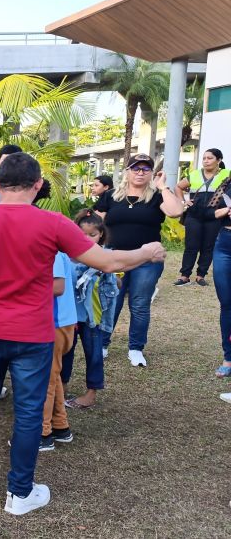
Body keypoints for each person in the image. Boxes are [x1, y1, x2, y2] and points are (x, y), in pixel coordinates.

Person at [0, 152, 166, 515]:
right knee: (30, 410)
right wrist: (146, 251)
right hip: (32, 334)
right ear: (37, 186)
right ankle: (19, 492)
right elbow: (108, 262)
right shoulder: (53, 222)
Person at [94, 153, 183, 367]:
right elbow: (95, 223)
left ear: (151, 173)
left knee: (140, 303)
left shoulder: (156, 197)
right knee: (111, 302)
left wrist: (162, 187)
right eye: (136, 168)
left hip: (147, 260)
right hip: (115, 258)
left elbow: (176, 211)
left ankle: (135, 348)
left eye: (145, 169)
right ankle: (103, 345)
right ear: (128, 171)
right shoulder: (112, 195)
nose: (140, 172)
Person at [62, 210, 117, 408]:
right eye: (82, 234)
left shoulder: (105, 257)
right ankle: (62, 387)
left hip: (93, 316)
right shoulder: (65, 257)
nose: (86, 239)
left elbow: (115, 286)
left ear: (101, 234)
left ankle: (91, 392)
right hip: (69, 316)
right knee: (64, 353)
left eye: (92, 235)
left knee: (94, 354)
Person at [39, 251, 77, 452]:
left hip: (54, 323)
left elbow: (57, 287)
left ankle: (42, 434)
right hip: (61, 321)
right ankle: (61, 426)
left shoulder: (51, 253)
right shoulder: (59, 253)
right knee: (53, 375)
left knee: (44, 379)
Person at [174, 148, 229, 286]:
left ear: (219, 160)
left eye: (210, 158)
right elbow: (178, 187)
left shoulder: (227, 174)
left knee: (208, 246)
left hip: (214, 216)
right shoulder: (194, 174)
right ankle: (184, 275)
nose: (206, 161)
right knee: (191, 246)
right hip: (194, 215)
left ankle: (201, 275)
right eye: (204, 158)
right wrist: (184, 201)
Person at [204, 179, 231, 377]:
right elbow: (207, 212)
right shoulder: (227, 183)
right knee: (227, 304)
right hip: (225, 244)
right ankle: (228, 358)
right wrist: (226, 211)